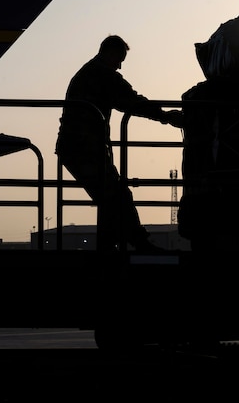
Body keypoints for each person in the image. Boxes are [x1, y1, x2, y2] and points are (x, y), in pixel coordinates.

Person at [55, 35, 183, 252]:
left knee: (110, 198)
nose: (120, 65)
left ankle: (110, 246)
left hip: (78, 147)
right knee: (116, 195)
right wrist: (165, 116)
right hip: (84, 149)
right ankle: (137, 243)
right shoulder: (102, 75)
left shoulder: (89, 72)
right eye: (120, 58)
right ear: (110, 53)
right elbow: (131, 101)